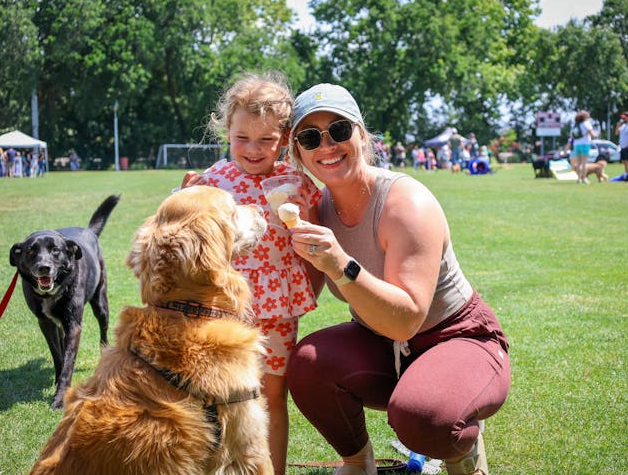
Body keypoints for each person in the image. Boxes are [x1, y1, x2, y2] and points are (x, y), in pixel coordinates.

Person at [285, 83, 511, 475]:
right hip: (381, 340)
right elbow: (297, 292)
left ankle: (463, 449)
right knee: (307, 364)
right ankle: (358, 463)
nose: (326, 145)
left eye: (338, 130)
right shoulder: (316, 210)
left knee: (424, 417)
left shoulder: (406, 201)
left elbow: (406, 318)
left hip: (456, 335)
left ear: (361, 133)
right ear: (298, 152)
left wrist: (342, 264)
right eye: (309, 137)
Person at [179, 72, 321, 475]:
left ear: (285, 140)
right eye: (242, 138)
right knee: (216, 397)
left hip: (278, 310)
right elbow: (186, 237)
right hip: (221, 308)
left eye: (266, 140)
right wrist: (182, 193)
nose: (253, 149)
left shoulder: (296, 182)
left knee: (273, 396)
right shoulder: (213, 181)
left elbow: (315, 241)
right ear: (227, 130)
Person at [571, 110, 598, 184]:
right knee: (584, 163)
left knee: (578, 163)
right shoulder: (586, 124)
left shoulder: (575, 125)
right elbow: (592, 135)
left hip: (576, 145)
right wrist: (597, 134)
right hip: (585, 144)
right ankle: (584, 178)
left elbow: (572, 136)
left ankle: (579, 178)